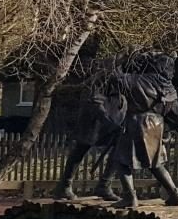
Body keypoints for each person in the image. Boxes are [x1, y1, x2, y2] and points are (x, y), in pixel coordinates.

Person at [111, 52, 178, 208]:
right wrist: (173, 127)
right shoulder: (168, 87)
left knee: (121, 161)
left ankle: (129, 197)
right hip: (156, 125)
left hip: (136, 123)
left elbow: (115, 76)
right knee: (156, 164)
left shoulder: (134, 80)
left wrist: (121, 59)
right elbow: (175, 113)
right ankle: (175, 194)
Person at [52, 64, 126, 201]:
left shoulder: (130, 76)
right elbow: (95, 100)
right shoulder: (105, 74)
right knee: (80, 150)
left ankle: (104, 185)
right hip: (95, 121)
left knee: (119, 150)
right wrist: (109, 120)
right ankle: (64, 186)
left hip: (111, 120)